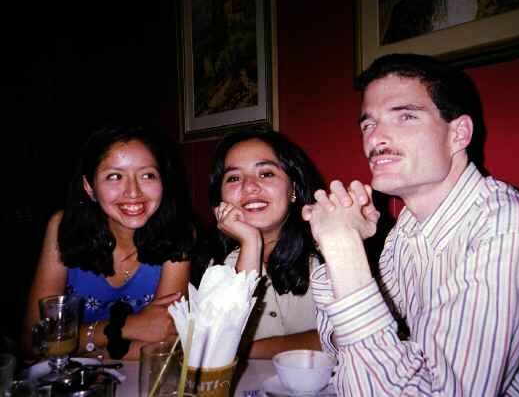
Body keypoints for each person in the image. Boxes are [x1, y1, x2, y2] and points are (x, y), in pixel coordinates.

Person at [302, 54, 519, 396]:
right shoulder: (409, 231)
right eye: (368, 124)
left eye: (405, 117)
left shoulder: (508, 229)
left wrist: (344, 250)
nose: (376, 138)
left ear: (459, 133)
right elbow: (341, 346)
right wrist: (343, 249)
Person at [24, 126, 197, 360]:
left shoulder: (179, 233)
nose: (133, 191)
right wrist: (126, 327)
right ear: (89, 188)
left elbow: (166, 340)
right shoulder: (62, 227)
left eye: (147, 175)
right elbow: (33, 339)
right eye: (115, 176)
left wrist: (79, 345)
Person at [201, 129, 324, 359]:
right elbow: (216, 350)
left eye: (266, 174)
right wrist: (250, 242)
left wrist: (248, 351)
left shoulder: (329, 250)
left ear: (293, 189)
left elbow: (347, 337)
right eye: (234, 178)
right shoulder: (214, 263)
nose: (249, 187)